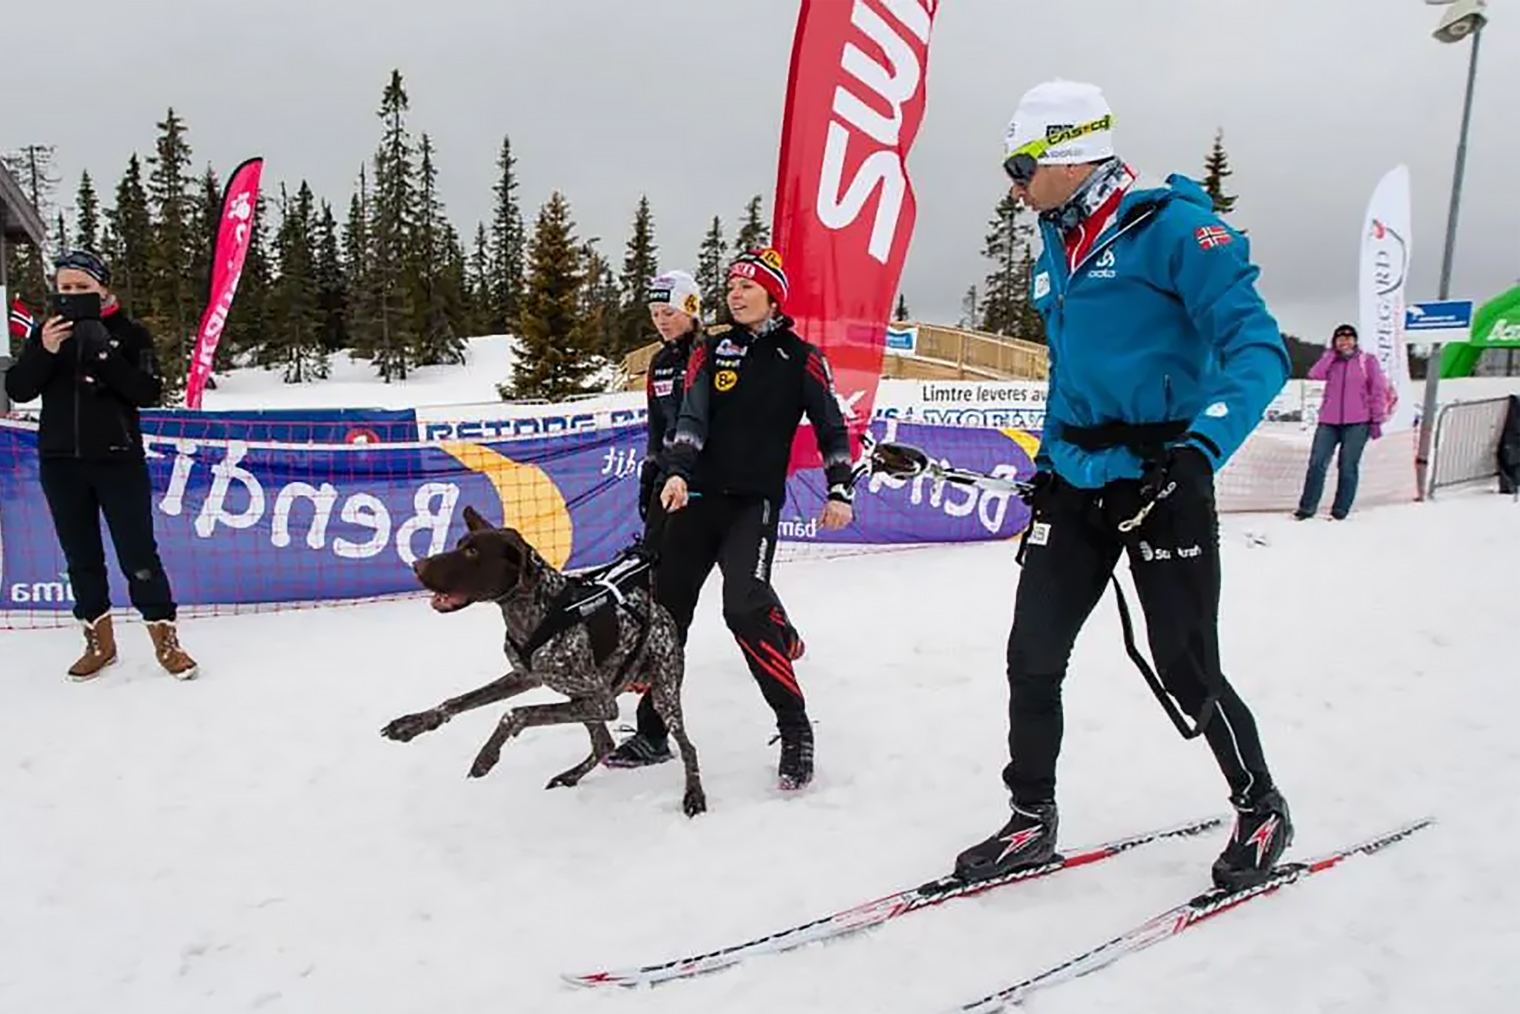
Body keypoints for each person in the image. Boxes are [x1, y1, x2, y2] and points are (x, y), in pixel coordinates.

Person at [950, 80, 1294, 891]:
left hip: (1164, 474)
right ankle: (1030, 818)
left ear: (1072, 152)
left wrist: (1199, 448)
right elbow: (1070, 372)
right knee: (1032, 655)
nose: (1013, 181)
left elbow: (1259, 350)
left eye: (1022, 162)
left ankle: (1260, 803)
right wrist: (1046, 461)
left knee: (1185, 661)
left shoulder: (1172, 229)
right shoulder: (1056, 244)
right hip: (1077, 481)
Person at [643, 247, 854, 790]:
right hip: (696, 499)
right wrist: (677, 471)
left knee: (744, 608)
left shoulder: (801, 356)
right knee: (666, 615)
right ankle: (651, 731)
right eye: (731, 287)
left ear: (772, 295)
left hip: (752, 505)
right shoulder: (711, 350)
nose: (735, 295)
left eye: (747, 287)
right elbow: (692, 416)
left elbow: (831, 429)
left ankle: (795, 729)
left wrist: (840, 489)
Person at [3, 250, 198, 681]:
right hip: (61, 463)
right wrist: (47, 351)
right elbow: (17, 387)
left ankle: (165, 640)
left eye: (82, 288)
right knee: (81, 557)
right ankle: (99, 641)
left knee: (138, 555)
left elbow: (148, 391)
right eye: (65, 287)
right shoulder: (45, 332)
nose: (71, 295)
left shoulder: (130, 334)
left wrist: (104, 356)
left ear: (103, 288)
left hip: (118, 460)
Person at [1293, 323, 1388, 520]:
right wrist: (1329, 356)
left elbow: (1377, 390)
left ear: (1355, 340)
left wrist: (1376, 420)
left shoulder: (1367, 361)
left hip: (1358, 422)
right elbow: (1315, 374)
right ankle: (1307, 507)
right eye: (1340, 338)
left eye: (1349, 337)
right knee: (1317, 463)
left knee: (1347, 465)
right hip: (1329, 421)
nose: (1345, 341)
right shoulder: (1331, 361)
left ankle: (1341, 508)